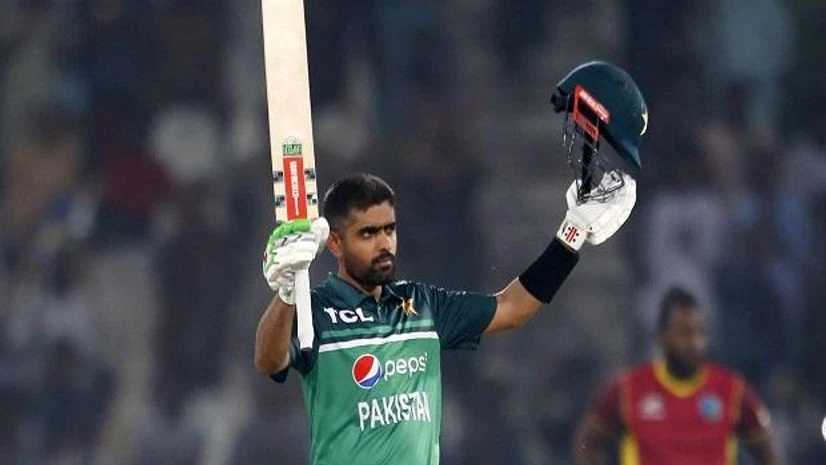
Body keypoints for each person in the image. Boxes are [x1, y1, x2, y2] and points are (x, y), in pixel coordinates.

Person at [255, 61, 648, 465]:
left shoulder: (422, 306)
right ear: (335, 243)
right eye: (368, 234)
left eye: (389, 229)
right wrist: (286, 291)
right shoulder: (318, 310)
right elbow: (269, 360)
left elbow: (513, 308)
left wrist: (572, 232)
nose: (385, 243)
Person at [572, 287, 782, 465]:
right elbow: (587, 444)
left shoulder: (733, 390)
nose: (695, 343)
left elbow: (769, 453)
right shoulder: (627, 388)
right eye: (685, 333)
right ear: (662, 336)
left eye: (700, 332)